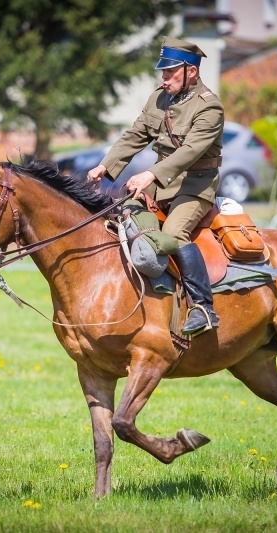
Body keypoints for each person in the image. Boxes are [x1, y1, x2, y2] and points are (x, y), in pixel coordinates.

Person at [87, 36, 224, 337]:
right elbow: (136, 134)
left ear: (191, 71)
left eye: (170, 71)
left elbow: (189, 152)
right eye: (162, 71)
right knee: (120, 216)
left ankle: (203, 307)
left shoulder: (209, 108)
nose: (163, 78)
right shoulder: (159, 98)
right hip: (161, 187)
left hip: (195, 186)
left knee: (175, 233)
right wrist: (105, 166)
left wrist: (150, 174)